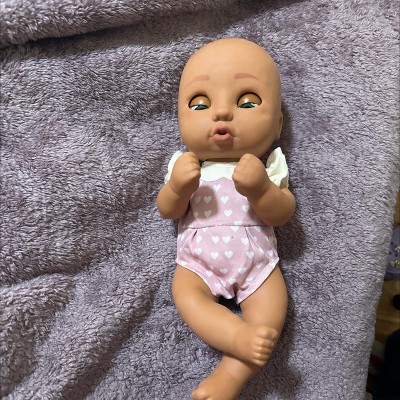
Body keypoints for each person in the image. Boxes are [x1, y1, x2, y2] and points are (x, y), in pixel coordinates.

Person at [157, 38, 296, 400]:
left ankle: (229, 378)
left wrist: (261, 189)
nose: (221, 113)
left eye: (247, 102)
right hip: (196, 263)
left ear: (277, 124)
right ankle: (236, 336)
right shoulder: (185, 166)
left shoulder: (268, 167)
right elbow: (168, 210)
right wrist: (178, 187)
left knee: (270, 314)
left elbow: (282, 213)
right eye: (200, 104)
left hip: (257, 263)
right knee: (186, 295)